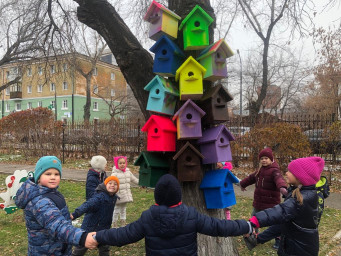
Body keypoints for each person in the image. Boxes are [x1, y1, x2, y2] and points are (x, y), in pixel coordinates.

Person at [86, 174, 255, 256]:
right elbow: (220, 227)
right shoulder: (191, 215)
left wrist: (99, 236)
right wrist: (246, 225)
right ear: (178, 196)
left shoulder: (148, 217)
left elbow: (123, 235)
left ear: (157, 197)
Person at [246, 156, 324, 256]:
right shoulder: (300, 192)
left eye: (290, 171)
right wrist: (259, 238)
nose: (286, 173)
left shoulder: (302, 199)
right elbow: (284, 224)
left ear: (300, 177)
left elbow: (281, 211)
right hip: (292, 246)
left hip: (299, 251)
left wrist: (255, 221)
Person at [15, 156, 92, 255]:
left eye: (56, 174)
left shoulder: (52, 193)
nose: (53, 177)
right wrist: (82, 237)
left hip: (59, 248)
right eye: (48, 174)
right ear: (38, 177)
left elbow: (57, 215)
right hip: (46, 251)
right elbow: (57, 225)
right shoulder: (39, 202)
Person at [240, 147, 288, 249]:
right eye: (262, 158)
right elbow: (250, 178)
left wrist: (282, 188)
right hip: (259, 202)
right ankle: (253, 236)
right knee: (254, 219)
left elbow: (279, 179)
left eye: (266, 158)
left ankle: (278, 240)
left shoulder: (275, 171)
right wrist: (242, 184)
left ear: (271, 159)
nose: (264, 160)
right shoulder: (259, 171)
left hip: (271, 203)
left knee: (275, 223)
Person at [71, 176, 120, 256]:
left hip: (104, 228)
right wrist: (75, 214)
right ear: (105, 185)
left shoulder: (113, 197)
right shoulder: (99, 197)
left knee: (104, 247)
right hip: (90, 227)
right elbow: (87, 205)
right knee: (82, 247)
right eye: (110, 183)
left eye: (115, 184)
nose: (112, 185)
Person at [111, 156, 139, 227]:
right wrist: (112, 193)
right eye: (120, 163)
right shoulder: (115, 174)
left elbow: (134, 179)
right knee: (116, 209)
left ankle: (123, 222)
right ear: (117, 164)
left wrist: (141, 183)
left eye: (124, 163)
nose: (122, 164)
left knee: (123, 209)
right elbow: (111, 184)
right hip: (118, 195)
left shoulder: (128, 172)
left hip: (125, 194)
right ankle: (114, 223)